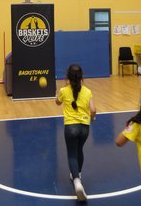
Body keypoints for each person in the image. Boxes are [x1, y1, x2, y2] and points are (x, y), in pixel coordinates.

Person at [56, 63, 96, 201]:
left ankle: (77, 182)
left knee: (72, 155)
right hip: (84, 127)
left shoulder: (63, 91)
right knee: (80, 150)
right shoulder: (88, 91)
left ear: (68, 77)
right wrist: (93, 117)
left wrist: (63, 88)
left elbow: (57, 102)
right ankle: (77, 173)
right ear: (81, 77)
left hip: (70, 128)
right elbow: (93, 109)